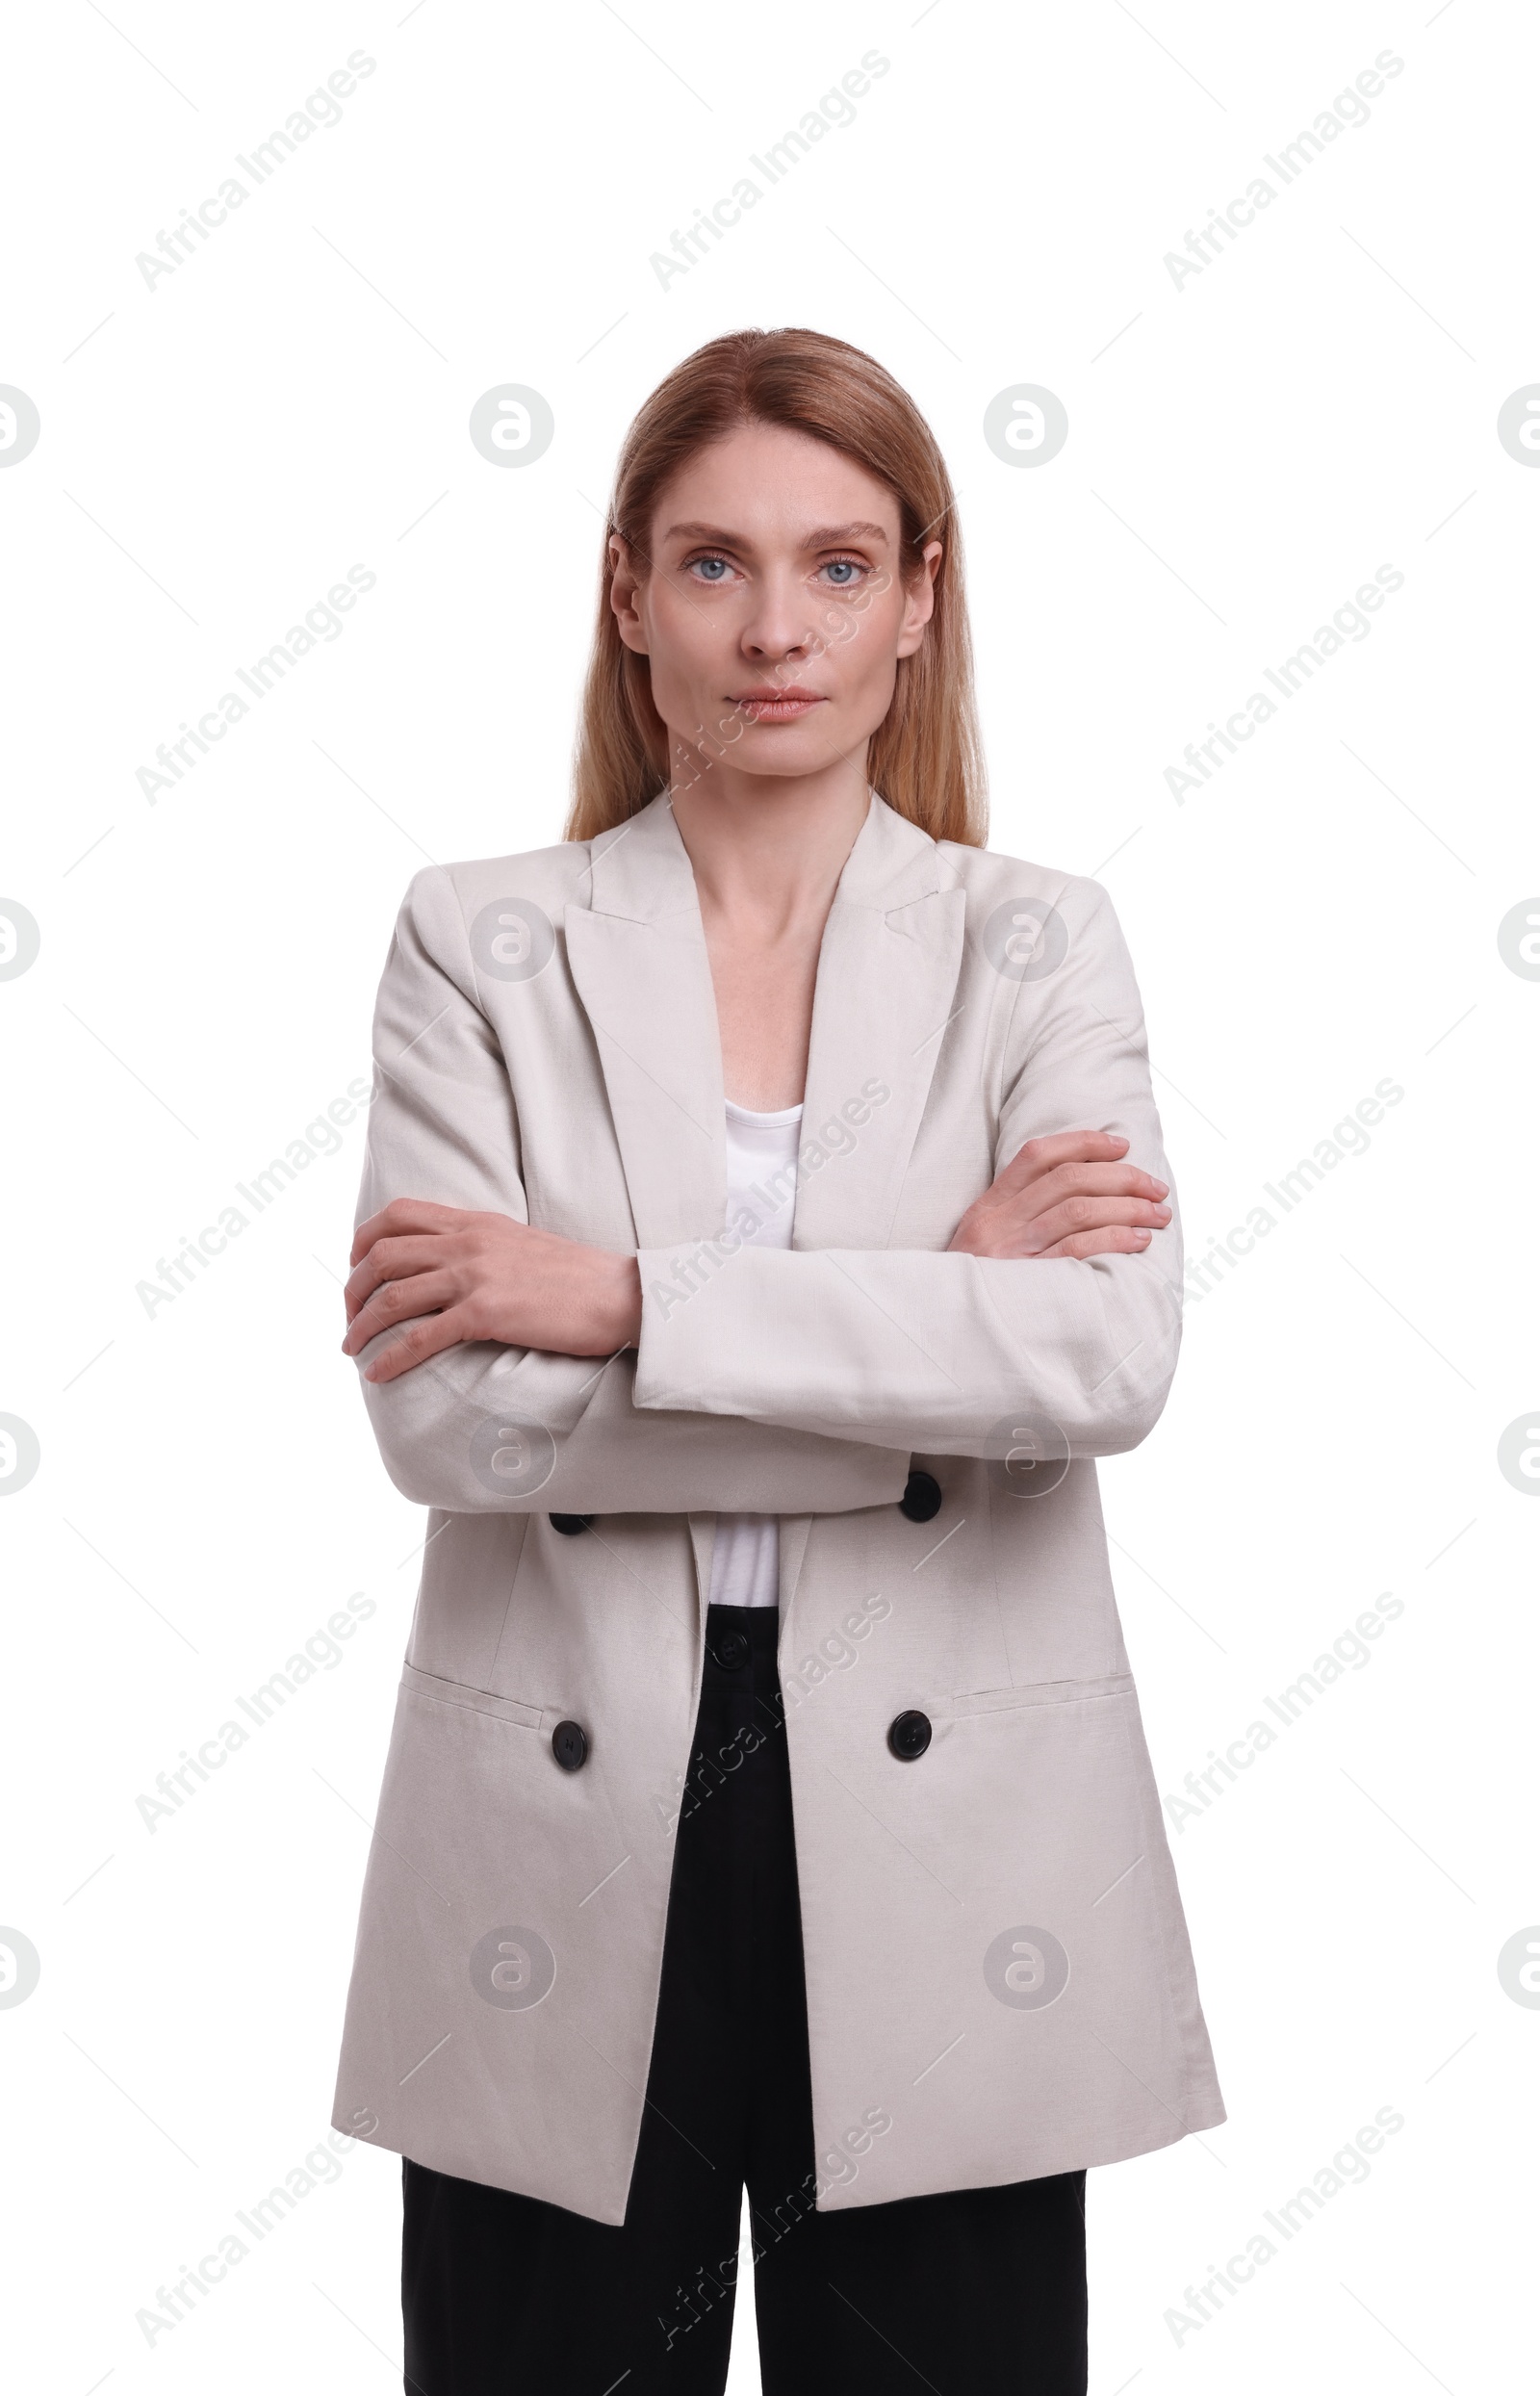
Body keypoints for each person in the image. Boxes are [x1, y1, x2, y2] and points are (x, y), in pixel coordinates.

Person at [333, 326, 1224, 2395]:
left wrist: (623, 1302)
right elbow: (453, 1425)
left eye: (837, 567)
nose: (773, 630)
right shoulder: (479, 942)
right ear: (627, 595)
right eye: (713, 564)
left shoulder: (1038, 943)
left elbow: (1096, 1364)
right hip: (559, 1826)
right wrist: (931, 1312)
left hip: (950, 1832)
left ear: (920, 602)